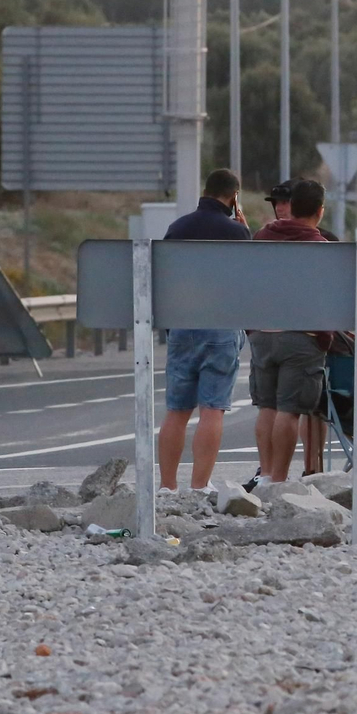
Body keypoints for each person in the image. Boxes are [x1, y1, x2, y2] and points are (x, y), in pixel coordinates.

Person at [156, 168, 250, 497]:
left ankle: (167, 486)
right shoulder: (235, 233)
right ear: (233, 197)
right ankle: (199, 485)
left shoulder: (177, 228)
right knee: (212, 408)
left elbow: (164, 279)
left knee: (177, 411)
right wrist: (245, 229)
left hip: (182, 322)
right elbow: (247, 281)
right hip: (221, 324)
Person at [249, 180, 337, 483]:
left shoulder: (262, 237)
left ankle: (265, 473)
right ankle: (279, 481)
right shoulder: (319, 246)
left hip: (262, 334)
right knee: (288, 410)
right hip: (301, 337)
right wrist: (325, 335)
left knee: (266, 407)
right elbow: (329, 298)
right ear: (319, 211)